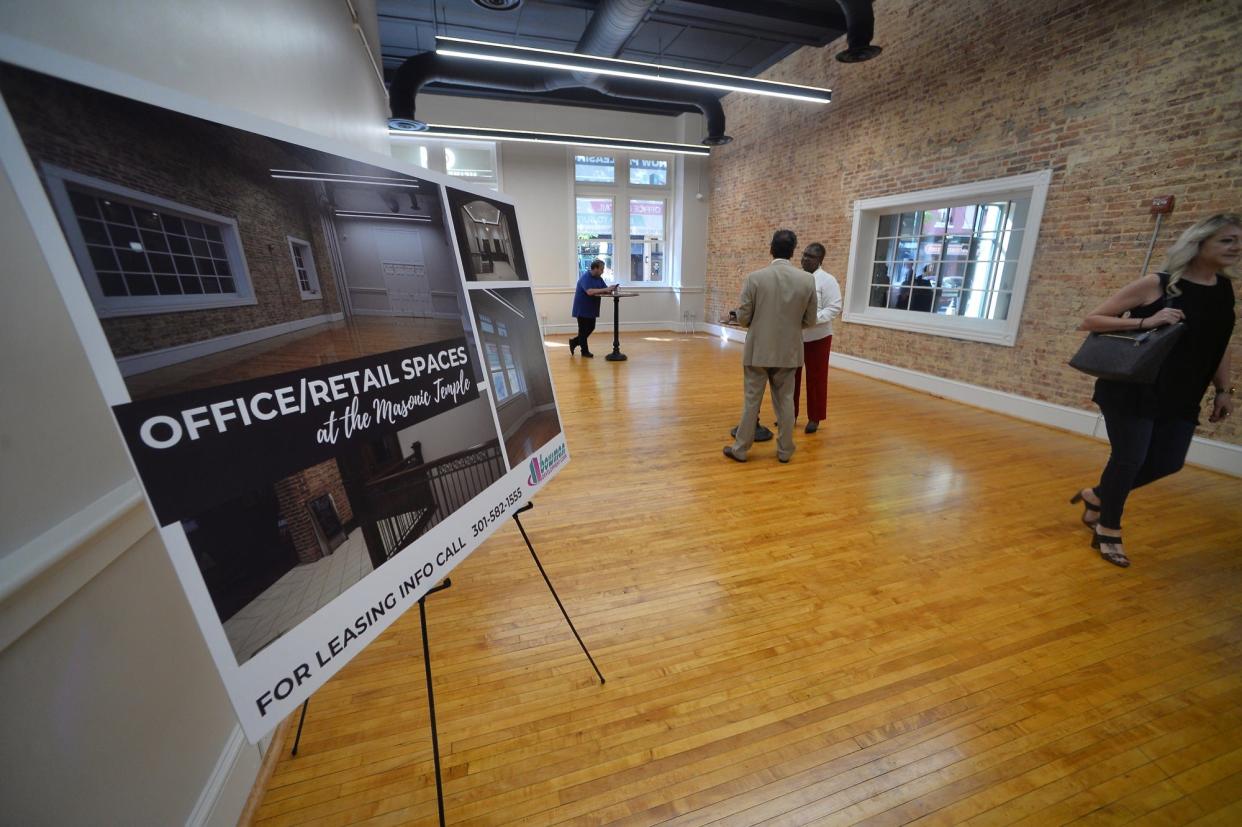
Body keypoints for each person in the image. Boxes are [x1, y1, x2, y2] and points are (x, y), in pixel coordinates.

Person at [1071, 213, 1237, 567]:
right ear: (1199, 243)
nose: (1236, 247)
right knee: (1129, 459)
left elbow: (1219, 344)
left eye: (1240, 241)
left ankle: (1097, 495)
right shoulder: (1158, 284)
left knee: (1168, 461)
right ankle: (1108, 530)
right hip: (1133, 388)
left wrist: (1225, 389)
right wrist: (1148, 320)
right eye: (1227, 240)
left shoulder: (1224, 290)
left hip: (1183, 393)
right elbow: (1092, 321)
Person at [723, 229, 817, 463]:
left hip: (758, 350)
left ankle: (741, 449)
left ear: (771, 248)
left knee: (752, 400)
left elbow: (744, 318)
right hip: (789, 350)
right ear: (794, 252)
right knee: (785, 401)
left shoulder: (755, 278)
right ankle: (785, 451)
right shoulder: (807, 279)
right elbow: (810, 319)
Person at [794, 243, 843, 434]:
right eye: (804, 255)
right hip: (795, 336)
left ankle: (814, 417)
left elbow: (834, 307)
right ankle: (790, 414)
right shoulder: (796, 278)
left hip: (818, 336)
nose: (805, 259)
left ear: (820, 260)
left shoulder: (827, 280)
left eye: (811, 256)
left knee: (817, 378)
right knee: (791, 377)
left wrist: (812, 320)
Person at [569, 259, 615, 358]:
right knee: (583, 330)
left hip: (591, 308)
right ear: (595, 268)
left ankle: (574, 342)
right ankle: (584, 351)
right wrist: (606, 289)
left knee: (591, 327)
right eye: (601, 269)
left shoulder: (599, 278)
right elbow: (589, 291)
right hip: (582, 308)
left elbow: (604, 289)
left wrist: (611, 289)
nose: (603, 271)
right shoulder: (586, 277)